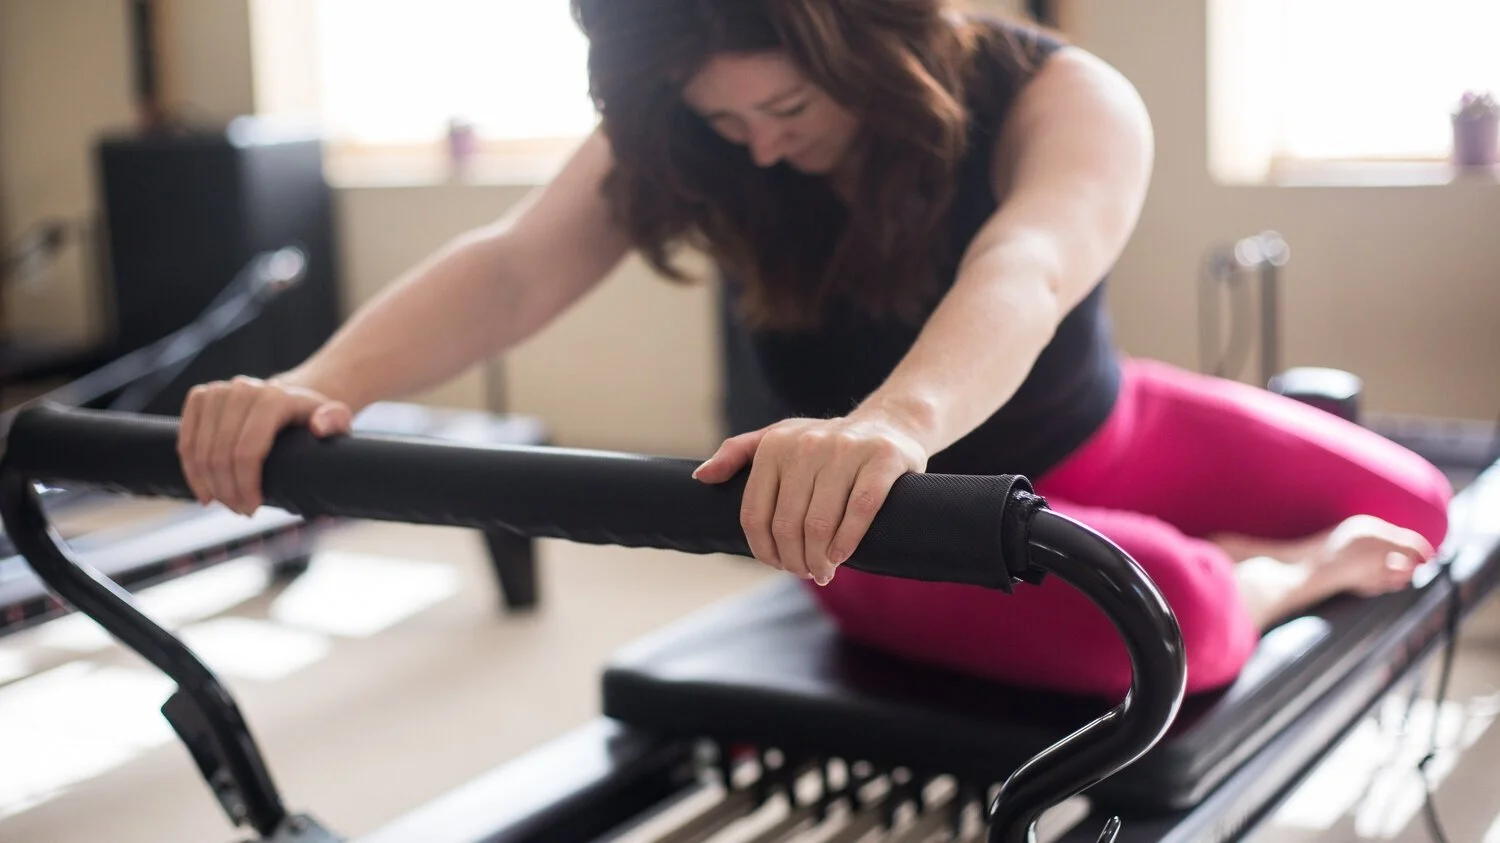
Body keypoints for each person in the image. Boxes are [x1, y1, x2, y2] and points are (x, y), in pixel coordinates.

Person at [175, 0, 1452, 697]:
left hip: (1096, 428)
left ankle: (1232, 551)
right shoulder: (688, 138)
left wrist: (892, 421)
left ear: (883, 44)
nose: (758, 147)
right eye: (724, 120)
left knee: (1420, 504)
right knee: (1179, 621)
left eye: (786, 106)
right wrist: (311, 387)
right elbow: (515, 267)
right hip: (868, 523)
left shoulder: (1060, 93)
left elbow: (1030, 265)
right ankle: (1288, 575)